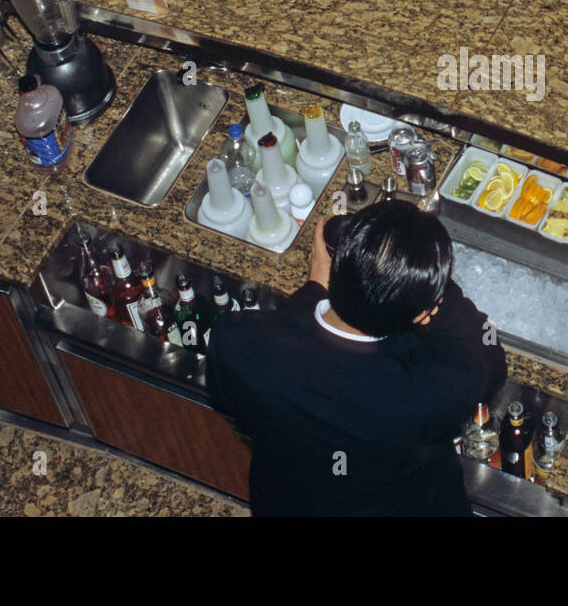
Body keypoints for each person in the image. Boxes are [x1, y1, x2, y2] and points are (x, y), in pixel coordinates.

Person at [207, 201, 506, 516]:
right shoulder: (428, 392)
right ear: (423, 312)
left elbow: (235, 396)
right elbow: (488, 353)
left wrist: (311, 292)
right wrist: (433, 288)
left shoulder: (239, 345)